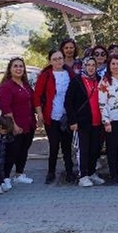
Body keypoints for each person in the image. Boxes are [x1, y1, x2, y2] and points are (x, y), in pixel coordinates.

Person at [34, 50, 76, 184]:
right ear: (50, 61)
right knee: (53, 146)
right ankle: (51, 172)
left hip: (67, 116)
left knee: (67, 147)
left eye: (60, 58)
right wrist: (40, 114)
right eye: (55, 59)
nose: (58, 61)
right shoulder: (46, 75)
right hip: (51, 116)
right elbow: (37, 96)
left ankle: (70, 172)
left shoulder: (70, 74)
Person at [65, 57, 105, 187]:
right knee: (83, 149)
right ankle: (83, 175)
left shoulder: (100, 80)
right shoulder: (76, 81)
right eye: (88, 65)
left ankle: (92, 172)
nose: (91, 67)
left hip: (97, 121)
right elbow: (68, 102)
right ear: (84, 66)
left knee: (95, 149)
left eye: (93, 65)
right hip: (82, 122)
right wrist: (73, 121)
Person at [0, 56, 36, 186]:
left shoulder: (26, 85)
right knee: (11, 152)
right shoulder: (6, 87)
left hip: (29, 124)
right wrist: (14, 125)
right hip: (15, 125)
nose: (18, 68)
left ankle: (19, 174)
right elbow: (5, 108)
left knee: (23, 150)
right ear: (10, 69)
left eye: (21, 66)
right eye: (15, 66)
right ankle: (5, 178)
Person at [98, 54, 118, 185]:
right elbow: (102, 103)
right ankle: (114, 175)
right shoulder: (105, 81)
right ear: (109, 66)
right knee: (112, 148)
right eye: (113, 64)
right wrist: (106, 121)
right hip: (112, 120)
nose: (116, 66)